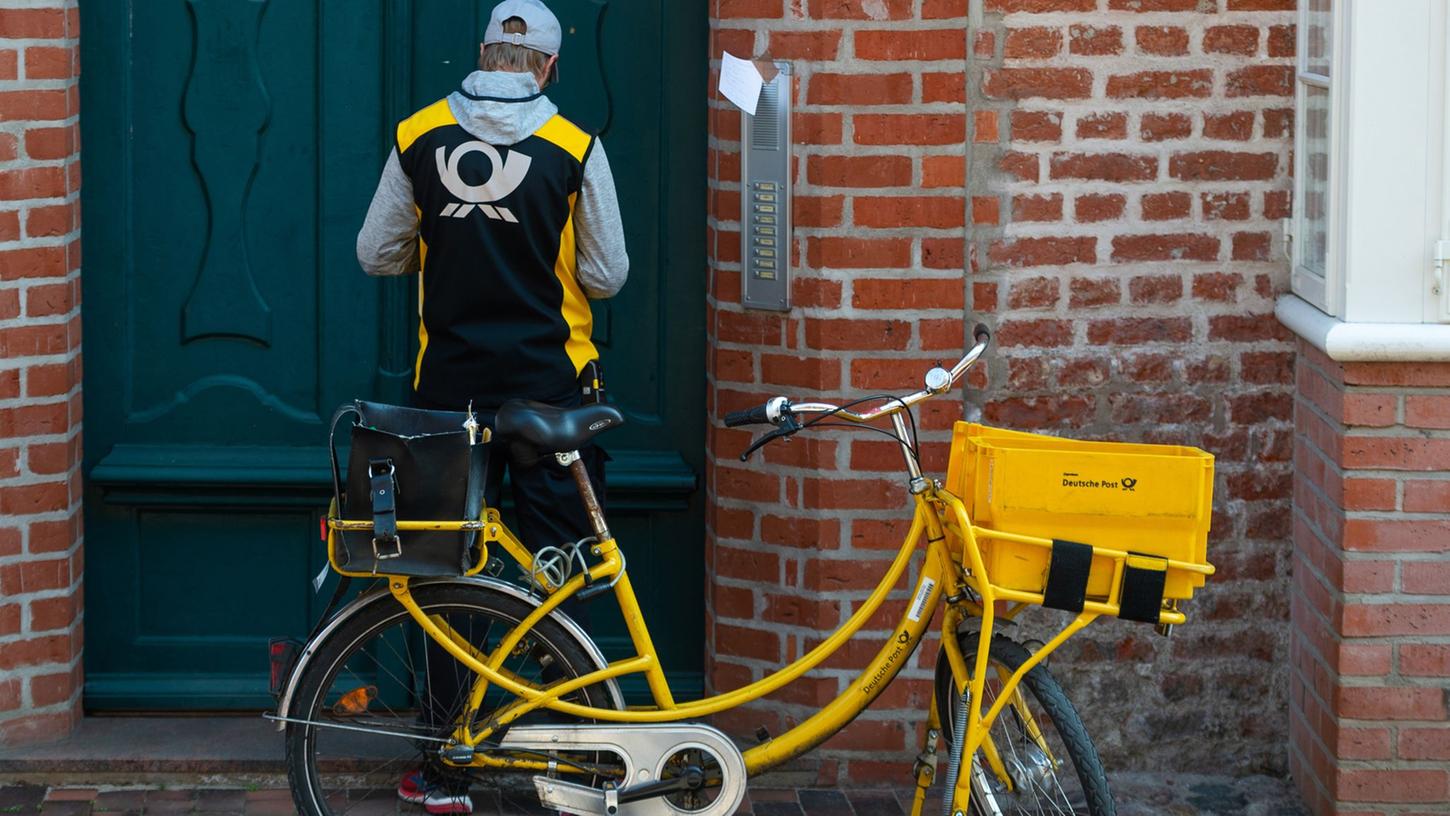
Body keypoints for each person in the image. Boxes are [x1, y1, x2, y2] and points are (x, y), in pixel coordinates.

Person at [356, 1, 628, 812]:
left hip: (448, 394)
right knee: (562, 576)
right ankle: (571, 751)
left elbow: (377, 253)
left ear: (481, 55)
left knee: (443, 578)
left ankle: (442, 768)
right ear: (548, 66)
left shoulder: (418, 135)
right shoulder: (576, 148)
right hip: (550, 394)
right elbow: (608, 276)